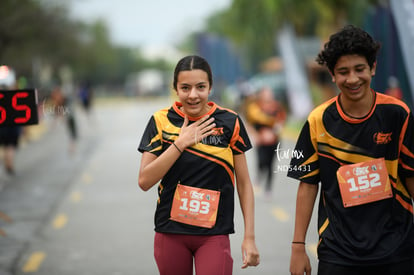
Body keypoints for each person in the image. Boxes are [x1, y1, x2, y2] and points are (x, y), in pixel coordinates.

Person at [287, 25, 414, 275]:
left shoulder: (398, 114)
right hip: (338, 252)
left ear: (373, 68)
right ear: (332, 75)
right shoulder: (318, 120)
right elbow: (308, 185)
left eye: (360, 69)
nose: (353, 79)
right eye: (343, 72)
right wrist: (298, 247)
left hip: (397, 248)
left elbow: (411, 176)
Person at [138, 55, 260, 275]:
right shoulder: (160, 121)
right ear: (175, 88)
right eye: (185, 87)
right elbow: (145, 181)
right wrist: (181, 143)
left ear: (210, 87)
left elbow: (243, 183)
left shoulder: (229, 122)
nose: (193, 95)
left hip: (214, 234)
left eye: (200, 87)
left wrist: (249, 238)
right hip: (170, 233)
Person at [245, 86, 286, 198]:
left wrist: (276, 130)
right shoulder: (255, 107)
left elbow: (282, 120)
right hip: (261, 141)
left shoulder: (276, 107)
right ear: (261, 95)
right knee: (262, 162)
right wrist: (256, 136)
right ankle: (258, 178)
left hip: (274, 140)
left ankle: (268, 188)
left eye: (270, 93)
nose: (268, 95)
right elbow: (250, 124)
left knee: (271, 164)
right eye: (266, 93)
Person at [0, 65, 21, 175]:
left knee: (5, 147)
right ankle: (10, 164)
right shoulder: (15, 94)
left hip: (2, 126)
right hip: (12, 125)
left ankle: (7, 164)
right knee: (11, 146)